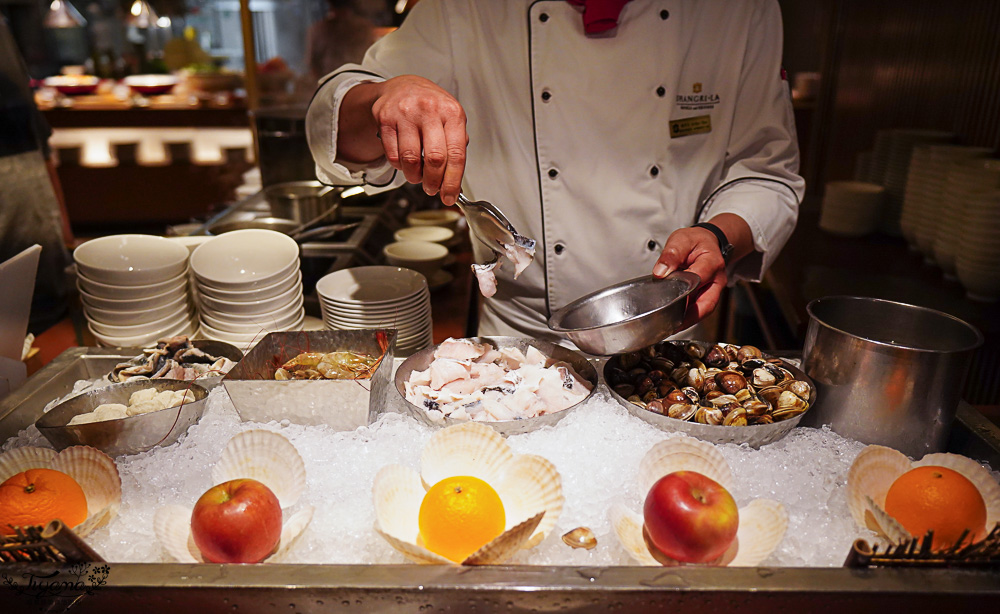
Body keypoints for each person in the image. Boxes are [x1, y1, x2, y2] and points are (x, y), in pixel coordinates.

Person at [306, 0, 803, 342]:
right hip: (519, 348)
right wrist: (385, 97)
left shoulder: (739, 10)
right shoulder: (465, 9)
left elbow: (767, 172)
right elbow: (338, 126)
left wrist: (719, 237)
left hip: (671, 337)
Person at [305, 0, 378, 82]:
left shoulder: (363, 28)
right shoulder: (364, 28)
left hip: (357, 81)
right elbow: (313, 66)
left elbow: (313, 66)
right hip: (335, 82)